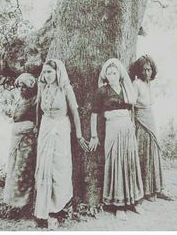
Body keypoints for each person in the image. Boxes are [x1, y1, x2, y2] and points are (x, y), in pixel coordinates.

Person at [34, 59, 88, 229]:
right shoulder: (43, 87)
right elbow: (38, 110)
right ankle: (43, 209)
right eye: (45, 72)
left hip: (61, 129)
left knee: (60, 167)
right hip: (46, 128)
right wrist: (37, 127)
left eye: (50, 71)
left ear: (58, 72)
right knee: (44, 167)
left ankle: (59, 208)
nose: (47, 75)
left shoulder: (66, 88)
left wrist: (79, 136)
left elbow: (75, 112)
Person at [89, 58, 144, 220]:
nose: (112, 75)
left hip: (128, 128)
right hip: (112, 128)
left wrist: (132, 126)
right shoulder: (102, 91)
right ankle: (118, 206)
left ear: (120, 74)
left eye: (114, 72)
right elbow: (94, 114)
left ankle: (133, 201)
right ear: (105, 75)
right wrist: (94, 135)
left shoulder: (126, 89)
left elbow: (131, 111)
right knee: (116, 163)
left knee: (129, 162)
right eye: (109, 72)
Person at [130, 54, 172, 201]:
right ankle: (146, 191)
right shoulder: (136, 84)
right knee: (144, 153)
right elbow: (132, 105)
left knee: (154, 152)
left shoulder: (149, 84)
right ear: (139, 70)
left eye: (149, 70)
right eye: (144, 70)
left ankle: (157, 188)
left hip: (150, 118)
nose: (147, 73)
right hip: (141, 121)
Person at [2, 73, 37, 218]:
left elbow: (36, 122)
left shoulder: (34, 101)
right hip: (16, 139)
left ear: (30, 88)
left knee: (24, 172)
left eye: (24, 87)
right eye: (19, 87)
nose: (21, 89)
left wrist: (28, 129)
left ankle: (24, 205)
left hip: (27, 141)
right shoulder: (19, 100)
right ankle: (14, 204)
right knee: (14, 169)